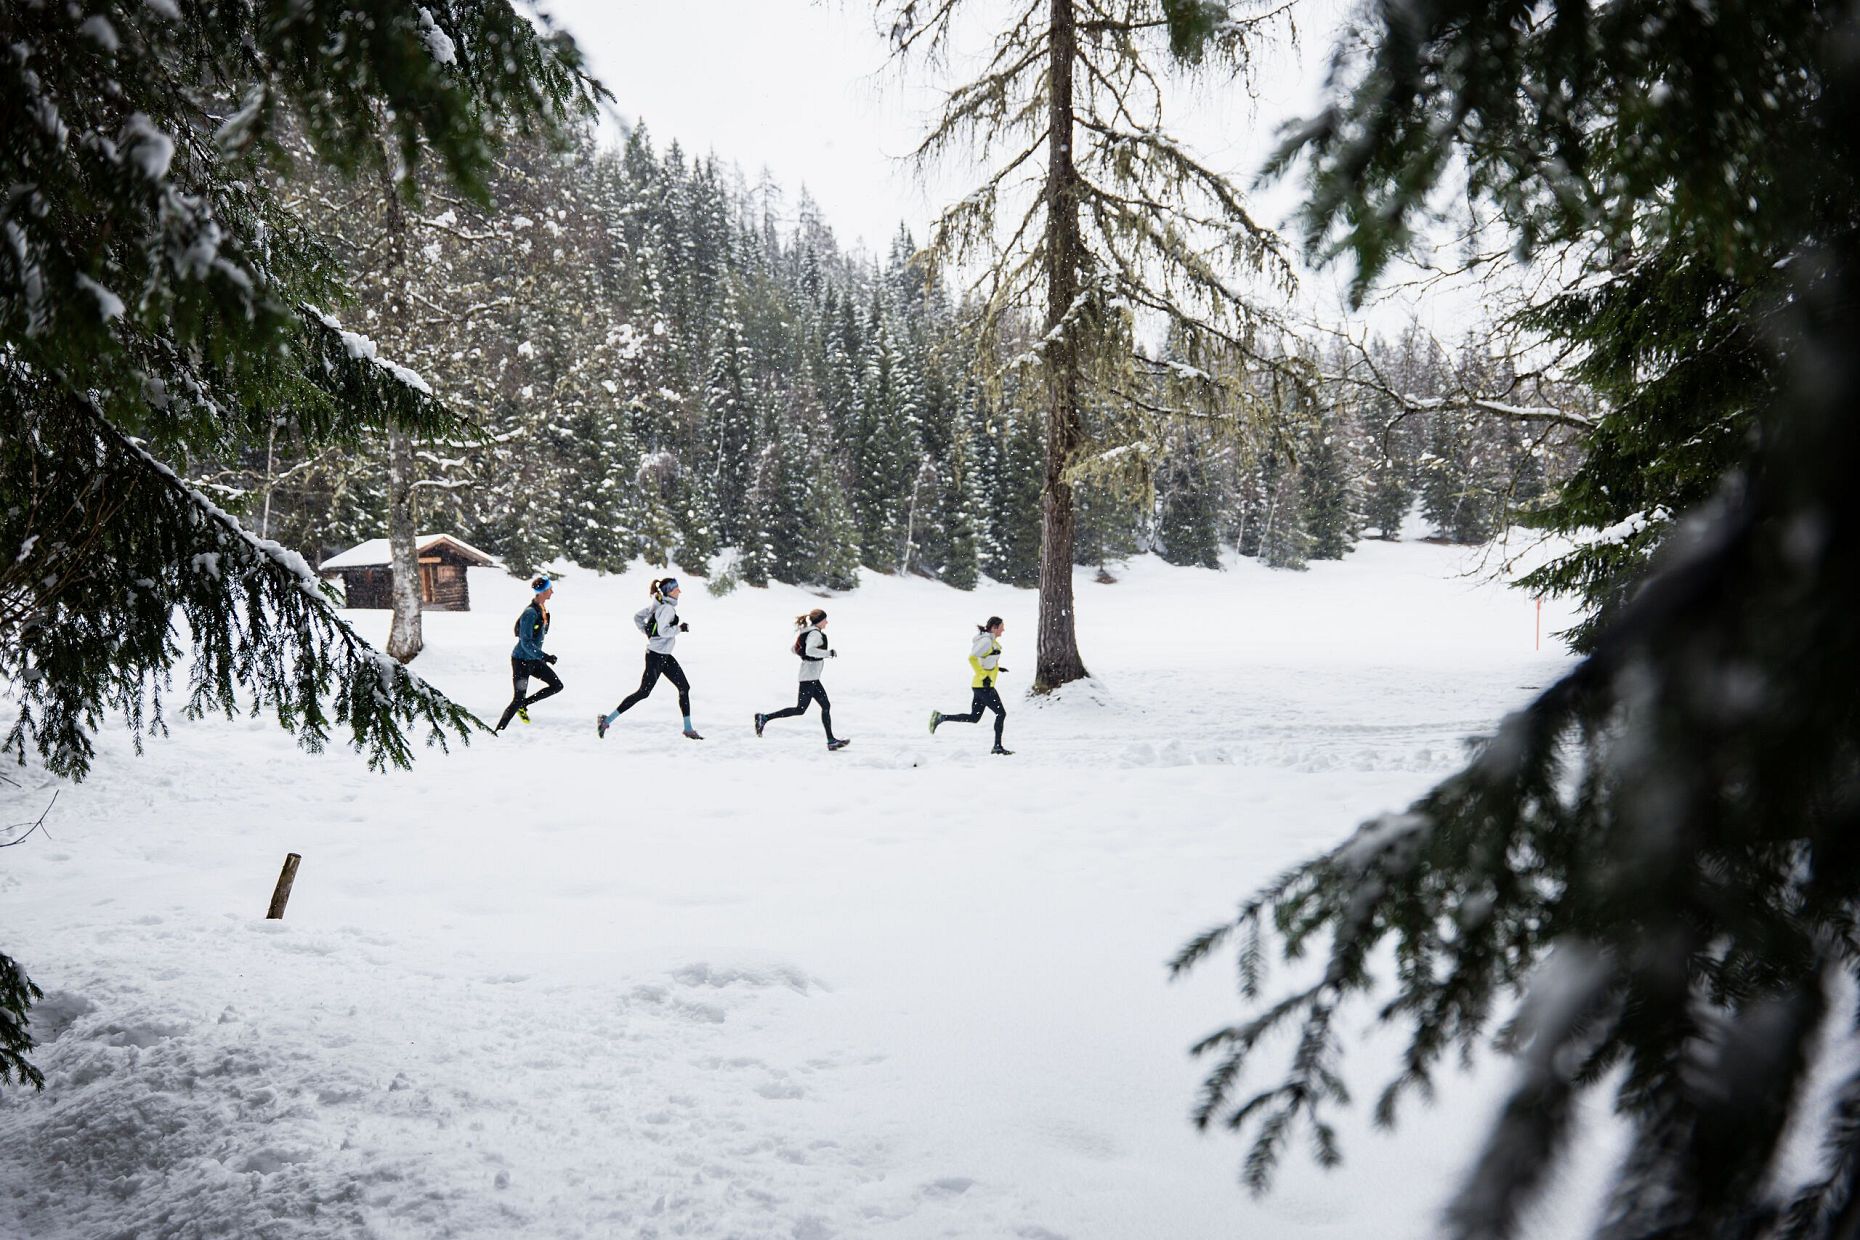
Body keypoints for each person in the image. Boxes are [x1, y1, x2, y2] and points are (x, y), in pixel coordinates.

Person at [597, 577, 702, 740]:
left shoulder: (658, 605)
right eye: (676, 589)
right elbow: (663, 631)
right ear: (669, 591)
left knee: (684, 687)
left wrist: (647, 633)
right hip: (656, 657)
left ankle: (688, 728)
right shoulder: (667, 608)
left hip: (664, 656)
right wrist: (679, 628)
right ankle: (606, 720)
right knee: (643, 692)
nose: (679, 592)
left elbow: (637, 617)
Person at [755, 609, 850, 751]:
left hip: (812, 677)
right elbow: (809, 651)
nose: (827, 622)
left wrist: (806, 651)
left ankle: (831, 741)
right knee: (800, 709)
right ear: (819, 621)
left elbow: (794, 649)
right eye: (825, 620)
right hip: (809, 678)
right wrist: (828, 653)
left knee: (825, 706)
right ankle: (764, 718)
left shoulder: (806, 632)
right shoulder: (815, 634)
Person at [929, 616, 1012, 755]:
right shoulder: (986, 641)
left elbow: (985, 660)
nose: (1003, 630)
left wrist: (998, 668)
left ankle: (941, 717)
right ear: (994, 627)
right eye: (1001, 627)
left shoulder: (991, 642)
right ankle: (997, 747)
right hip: (984, 686)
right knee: (1001, 713)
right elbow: (972, 658)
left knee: (974, 717)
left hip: (981, 686)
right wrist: (983, 676)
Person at [495, 577, 563, 732]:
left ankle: (525, 705)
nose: (552, 591)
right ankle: (498, 731)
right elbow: (525, 643)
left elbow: (539, 635)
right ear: (542, 592)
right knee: (517, 699)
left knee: (557, 686)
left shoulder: (541, 609)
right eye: (550, 588)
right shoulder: (530, 613)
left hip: (533, 660)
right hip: (521, 661)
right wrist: (545, 657)